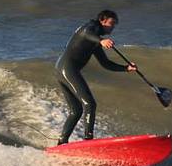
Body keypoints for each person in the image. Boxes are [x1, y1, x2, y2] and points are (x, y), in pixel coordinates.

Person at [55, 10, 137, 144]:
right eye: (111, 23)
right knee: (90, 104)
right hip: (67, 69)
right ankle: (88, 140)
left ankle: (62, 142)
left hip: (61, 69)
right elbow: (87, 33)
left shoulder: (95, 41)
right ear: (102, 20)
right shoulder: (90, 27)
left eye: (115, 24)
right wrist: (101, 40)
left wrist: (126, 68)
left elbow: (106, 64)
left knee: (76, 111)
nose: (112, 27)